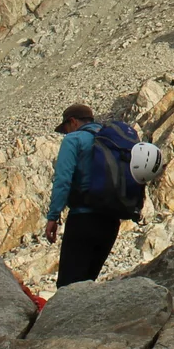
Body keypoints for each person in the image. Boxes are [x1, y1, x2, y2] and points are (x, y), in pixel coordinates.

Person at [46, 102, 123, 287]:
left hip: (83, 219)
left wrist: (53, 217)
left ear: (72, 122)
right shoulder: (111, 139)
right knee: (87, 285)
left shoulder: (74, 140)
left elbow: (63, 180)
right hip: (111, 223)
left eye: (65, 129)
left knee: (68, 287)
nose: (65, 133)